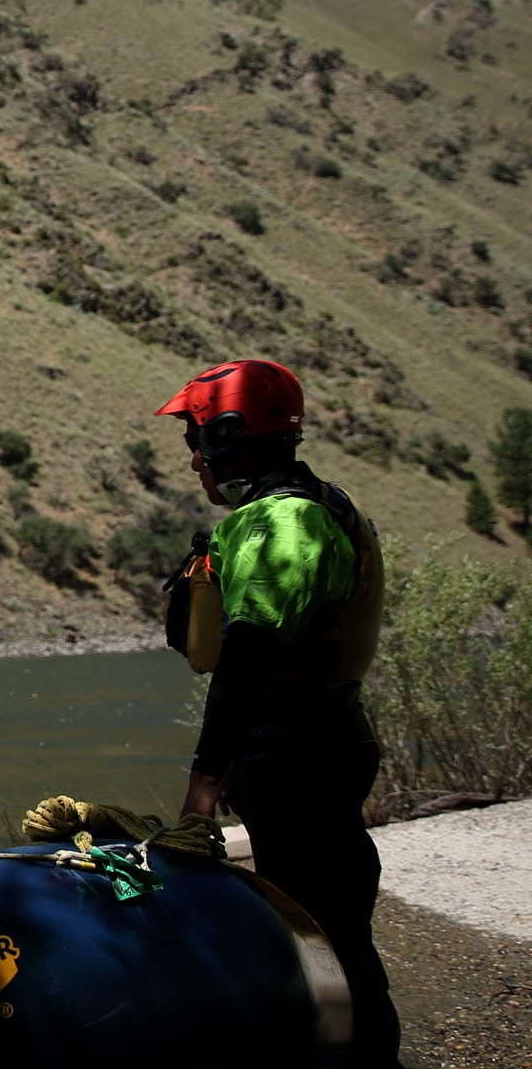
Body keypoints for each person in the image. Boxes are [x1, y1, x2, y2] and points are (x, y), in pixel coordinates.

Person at [156, 359, 396, 1068]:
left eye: (198, 438)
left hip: (298, 755)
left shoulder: (283, 522)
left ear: (232, 435)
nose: (196, 458)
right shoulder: (309, 508)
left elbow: (251, 651)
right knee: (319, 925)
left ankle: (357, 1058)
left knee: (322, 930)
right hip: (310, 743)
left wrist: (206, 773)